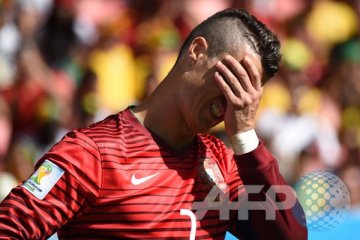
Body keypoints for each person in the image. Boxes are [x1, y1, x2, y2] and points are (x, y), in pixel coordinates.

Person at [0, 8, 307, 240]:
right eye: (236, 79)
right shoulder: (93, 153)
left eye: (253, 90)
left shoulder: (223, 166)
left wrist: (244, 137)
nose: (240, 100)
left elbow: (291, 236)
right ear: (197, 52)